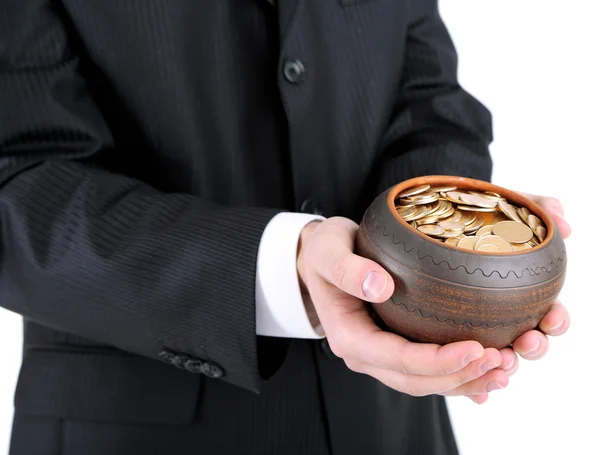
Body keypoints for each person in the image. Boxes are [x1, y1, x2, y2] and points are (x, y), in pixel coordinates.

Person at [0, 0, 571, 454]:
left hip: (393, 430)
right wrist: (281, 266)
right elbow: (17, 179)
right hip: (133, 428)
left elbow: (427, 99)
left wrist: (441, 248)